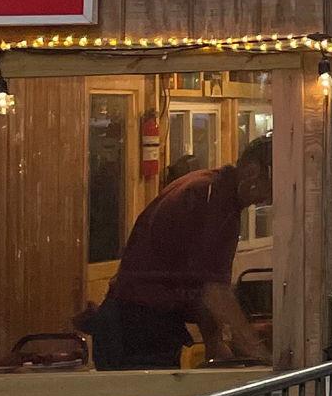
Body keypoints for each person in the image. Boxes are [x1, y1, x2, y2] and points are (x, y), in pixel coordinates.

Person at [88, 134, 273, 369]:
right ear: (252, 171)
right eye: (272, 186)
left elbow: (202, 281)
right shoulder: (211, 197)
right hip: (136, 326)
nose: (268, 198)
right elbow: (214, 292)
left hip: (146, 323)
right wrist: (260, 356)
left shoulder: (216, 192)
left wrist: (214, 342)